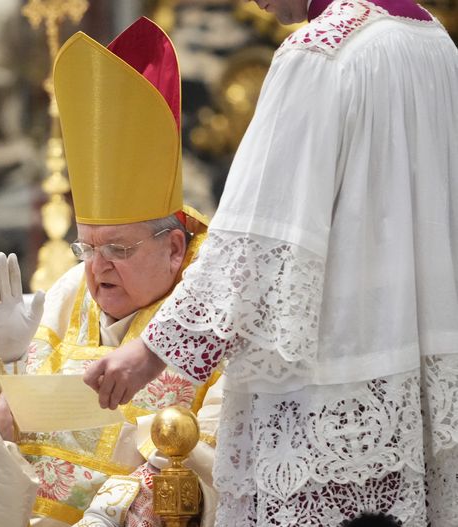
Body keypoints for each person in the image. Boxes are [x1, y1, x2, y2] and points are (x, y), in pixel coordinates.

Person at [84, 0, 458, 525]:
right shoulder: (434, 41)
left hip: (330, 390)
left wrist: (149, 353)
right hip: (419, 375)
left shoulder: (319, 53)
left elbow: (259, 240)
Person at [0, 18, 227, 527]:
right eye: (85, 248)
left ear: (174, 248)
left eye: (117, 247)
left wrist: (112, 510)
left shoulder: (215, 312)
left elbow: (209, 467)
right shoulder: (70, 294)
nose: (97, 268)